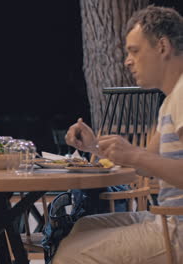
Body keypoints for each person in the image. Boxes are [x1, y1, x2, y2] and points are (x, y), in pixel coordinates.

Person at [53, 5, 183, 264]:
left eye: (134, 51)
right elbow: (147, 163)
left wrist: (134, 154)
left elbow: (141, 159)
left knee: (71, 255)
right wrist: (94, 147)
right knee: (82, 228)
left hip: (177, 227)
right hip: (168, 218)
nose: (127, 61)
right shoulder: (171, 100)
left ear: (162, 47)